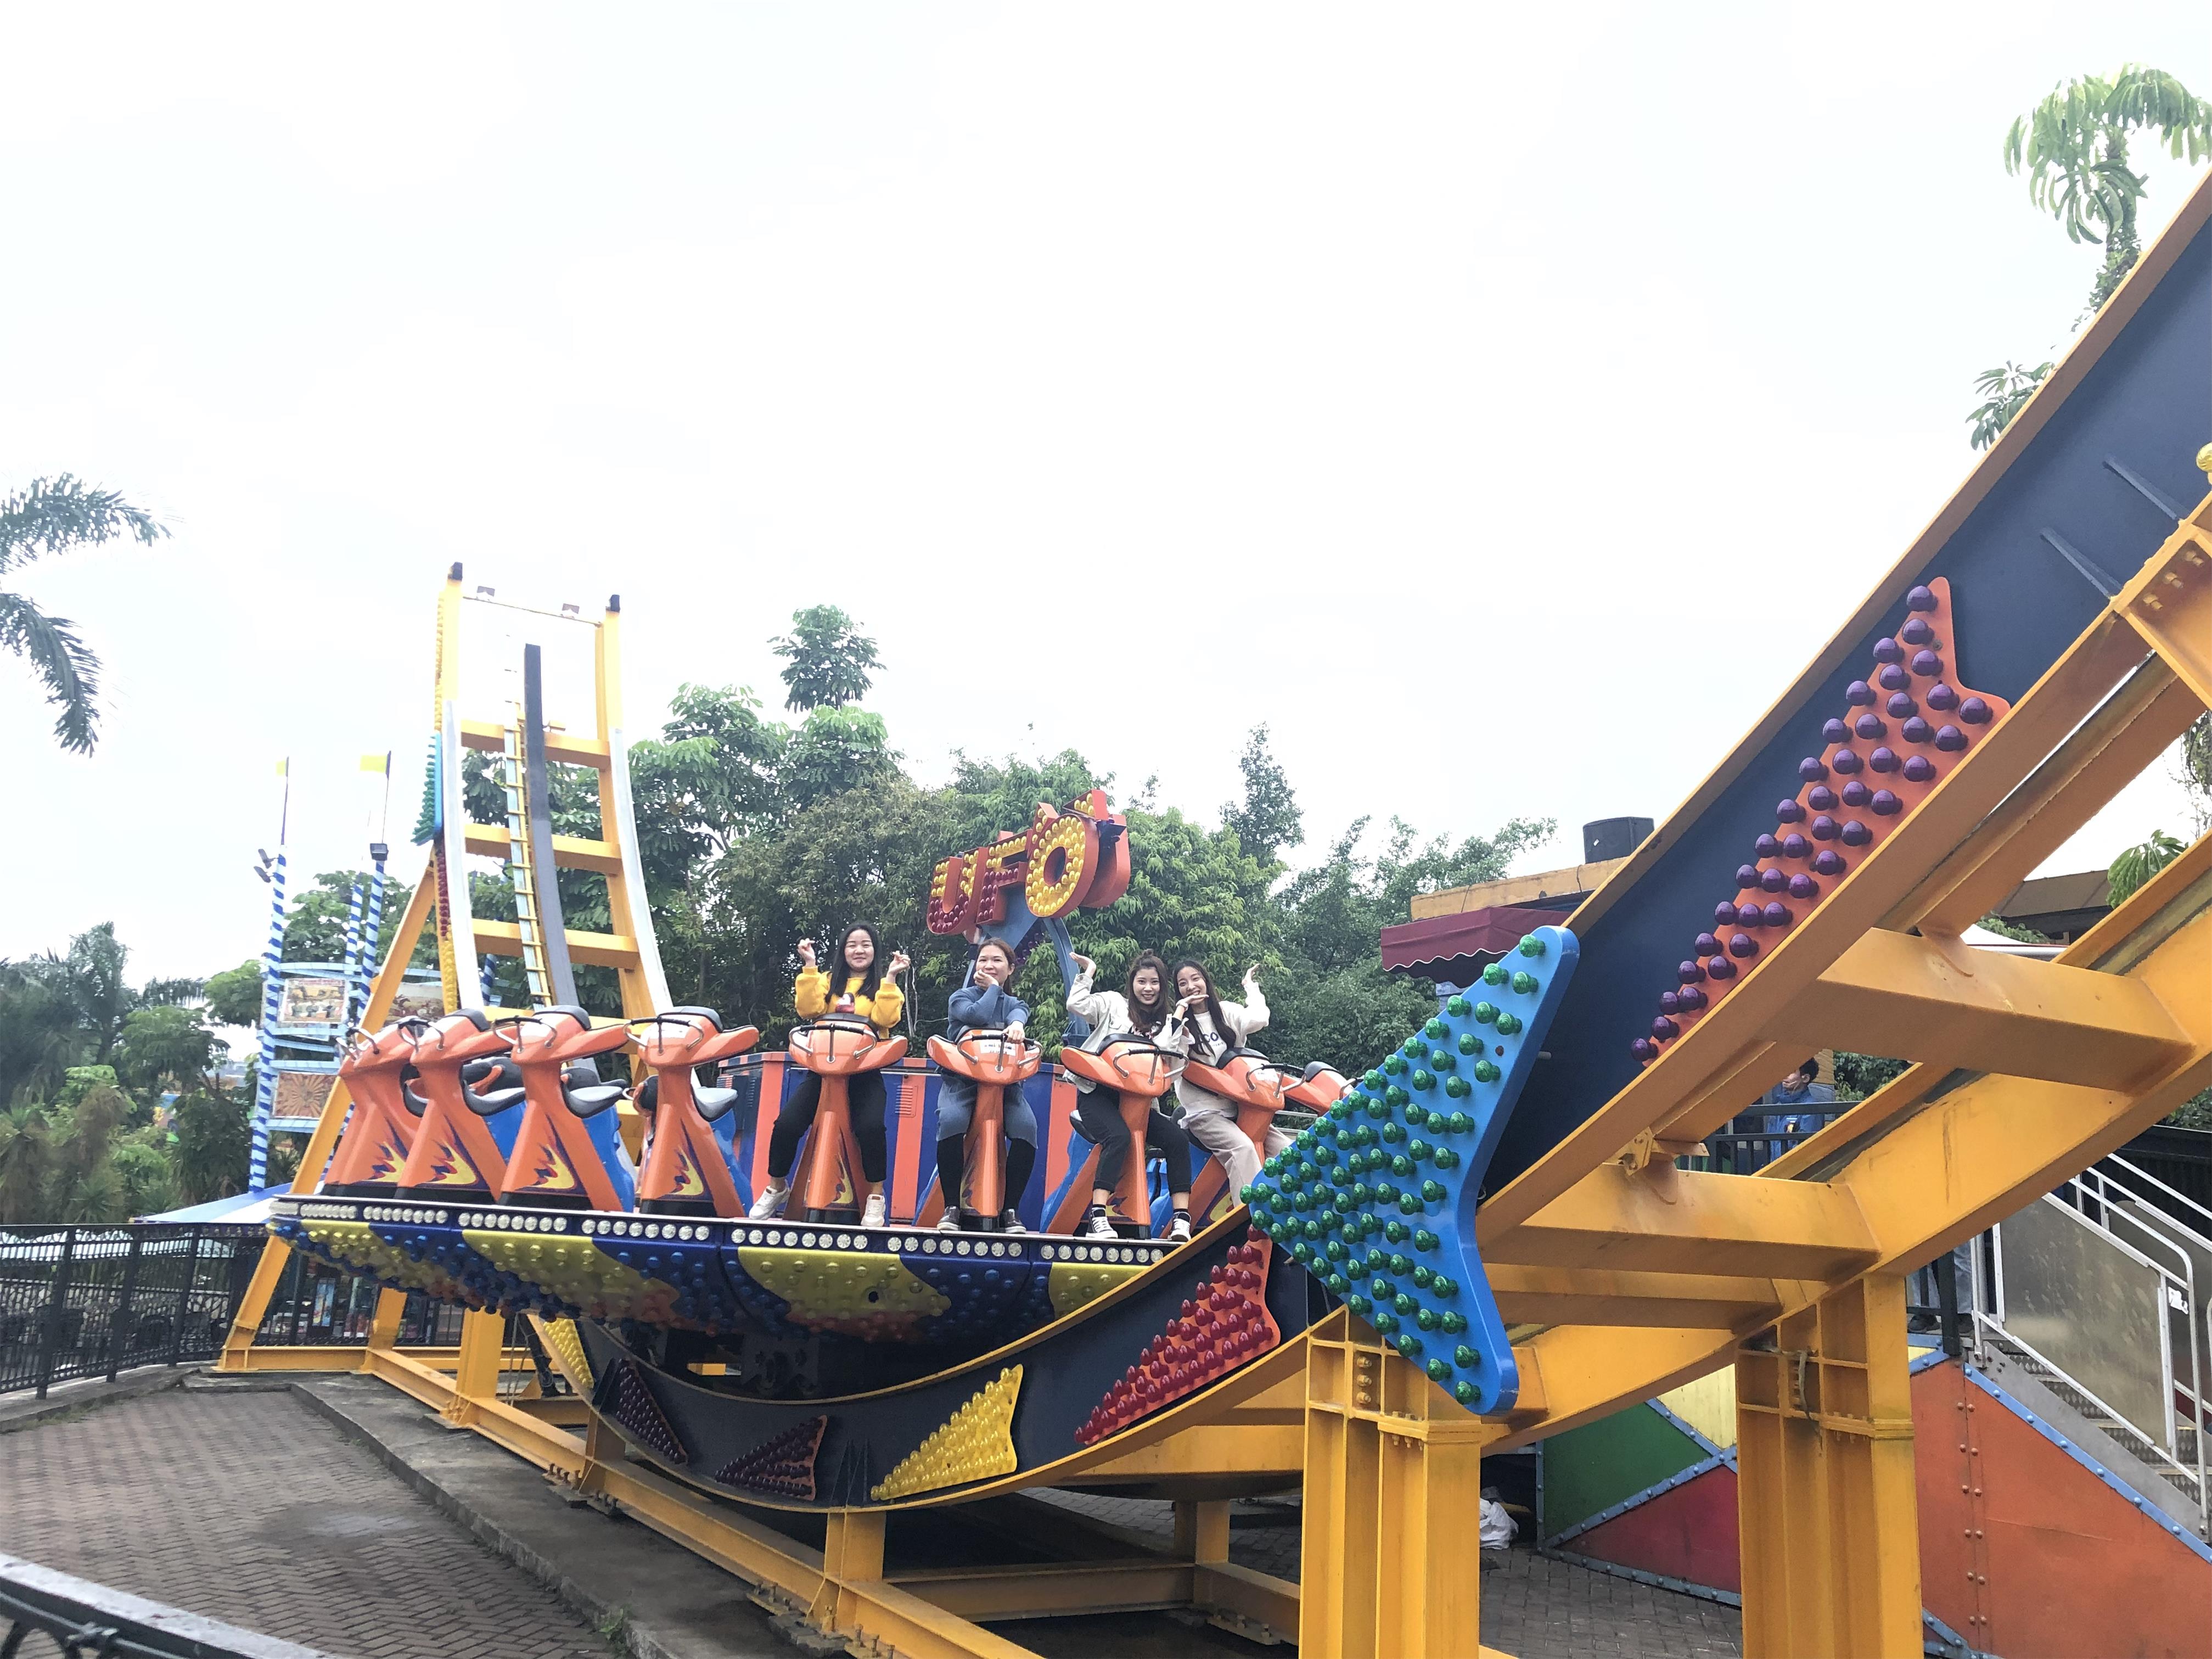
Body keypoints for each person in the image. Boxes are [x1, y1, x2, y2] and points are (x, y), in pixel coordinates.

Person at [749, 925, 908, 1225]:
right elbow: (808, 1010)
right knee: (786, 1124)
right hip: (822, 1070)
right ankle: (777, 1187)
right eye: (852, 945)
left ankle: (876, 1197)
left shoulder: (883, 986)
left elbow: (886, 1019)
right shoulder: (828, 980)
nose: (859, 950)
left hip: (865, 1070)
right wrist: (810, 965)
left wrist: (890, 978)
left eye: (865, 944)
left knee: (872, 1128)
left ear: (875, 950)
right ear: (843, 950)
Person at [1066, 950, 1195, 1242]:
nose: (1148, 988)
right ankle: (1098, 1216)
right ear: (1132, 983)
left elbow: (1168, 1058)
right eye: (1142, 981)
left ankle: (1181, 1220)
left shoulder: (1166, 1024)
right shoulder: (1114, 1004)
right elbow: (1076, 1004)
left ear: (1162, 987)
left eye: (1154, 982)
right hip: (1097, 1094)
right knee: (1118, 1137)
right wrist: (1089, 971)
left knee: (1177, 1140)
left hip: (1139, 1103)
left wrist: (1177, 1015)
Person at [931, 938, 1041, 1233]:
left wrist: (1017, 1025)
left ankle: (1011, 1209)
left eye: (997, 960)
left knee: (1027, 1128)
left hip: (1006, 1086)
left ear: (1011, 968)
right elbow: (976, 1016)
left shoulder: (1015, 1004)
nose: (989, 965)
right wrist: (993, 988)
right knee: (951, 1120)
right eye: (983, 960)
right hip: (963, 1081)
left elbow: (1019, 1015)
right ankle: (952, 1207)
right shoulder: (960, 997)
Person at [1169, 959, 1290, 1198]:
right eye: (1183, 983)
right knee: (1242, 1149)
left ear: (1206, 980)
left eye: (1195, 979)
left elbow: (1259, 1019)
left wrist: (1250, 987)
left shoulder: (1226, 1012)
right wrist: (1179, 1015)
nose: (1191, 986)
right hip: (1205, 1113)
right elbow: (1172, 1065)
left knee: (1287, 1151)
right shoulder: (1179, 1024)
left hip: (1242, 1108)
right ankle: (1250, 1215)